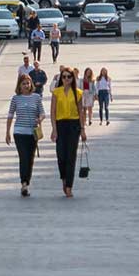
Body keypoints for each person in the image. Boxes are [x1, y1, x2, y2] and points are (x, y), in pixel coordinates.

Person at [4, 71, 45, 197]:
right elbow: (10, 115)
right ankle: (23, 184)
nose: (26, 85)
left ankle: (27, 182)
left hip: (32, 133)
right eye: (23, 84)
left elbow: (42, 113)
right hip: (19, 132)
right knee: (23, 157)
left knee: (30, 159)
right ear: (19, 86)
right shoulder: (15, 99)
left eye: (28, 83)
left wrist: (40, 119)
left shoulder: (36, 97)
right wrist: (7, 132)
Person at [51, 65, 84, 198]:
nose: (66, 79)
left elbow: (81, 112)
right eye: (63, 77)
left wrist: (82, 130)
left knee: (71, 157)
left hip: (73, 125)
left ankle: (69, 186)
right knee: (61, 156)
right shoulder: (56, 92)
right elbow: (53, 112)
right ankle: (64, 178)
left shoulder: (78, 93)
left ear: (73, 78)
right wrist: (54, 129)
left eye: (68, 77)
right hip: (60, 125)